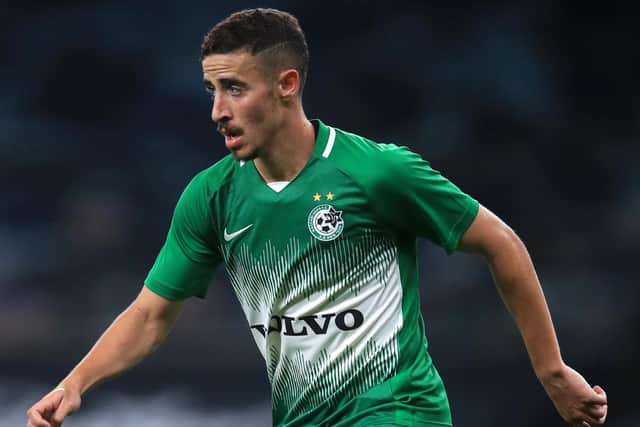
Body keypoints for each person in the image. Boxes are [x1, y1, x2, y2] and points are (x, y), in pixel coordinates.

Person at [27, 8, 608, 427]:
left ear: (287, 85)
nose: (217, 111)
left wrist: (552, 371)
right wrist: (74, 385)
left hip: (398, 411)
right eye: (211, 90)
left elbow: (501, 242)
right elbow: (152, 313)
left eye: (234, 88)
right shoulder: (212, 196)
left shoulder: (377, 172)